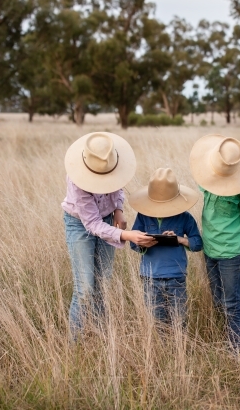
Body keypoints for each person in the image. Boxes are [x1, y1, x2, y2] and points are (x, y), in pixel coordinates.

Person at [62, 131, 156, 338]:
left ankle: (101, 338)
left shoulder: (113, 162)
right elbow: (92, 224)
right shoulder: (77, 180)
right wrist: (128, 235)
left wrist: (118, 210)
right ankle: (74, 344)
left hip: (107, 219)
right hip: (80, 224)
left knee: (103, 283)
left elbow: (117, 188)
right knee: (85, 287)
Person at [189, 134, 240, 352]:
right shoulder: (206, 174)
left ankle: (233, 351)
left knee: (232, 304)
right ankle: (222, 340)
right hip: (210, 248)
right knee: (218, 300)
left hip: (233, 251)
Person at [128, 167, 202, 328]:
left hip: (176, 277)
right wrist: (143, 242)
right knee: (157, 323)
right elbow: (133, 242)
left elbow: (198, 244)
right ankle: (163, 351)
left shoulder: (184, 217)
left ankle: (179, 351)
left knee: (179, 321)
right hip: (150, 277)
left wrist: (180, 240)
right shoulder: (143, 215)